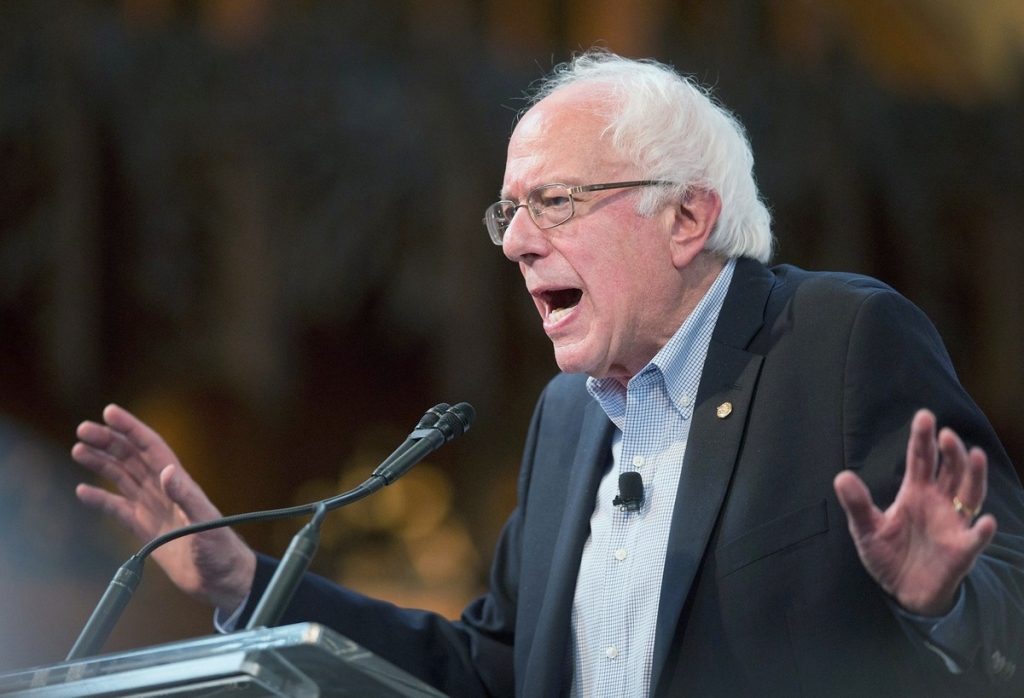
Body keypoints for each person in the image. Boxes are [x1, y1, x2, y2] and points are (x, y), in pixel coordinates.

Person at [72, 51, 1024, 697]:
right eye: (508, 213)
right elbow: (493, 668)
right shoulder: (567, 418)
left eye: (555, 202)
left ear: (687, 218)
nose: (518, 243)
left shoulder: (837, 338)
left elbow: (1007, 601)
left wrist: (943, 600)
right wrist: (246, 579)